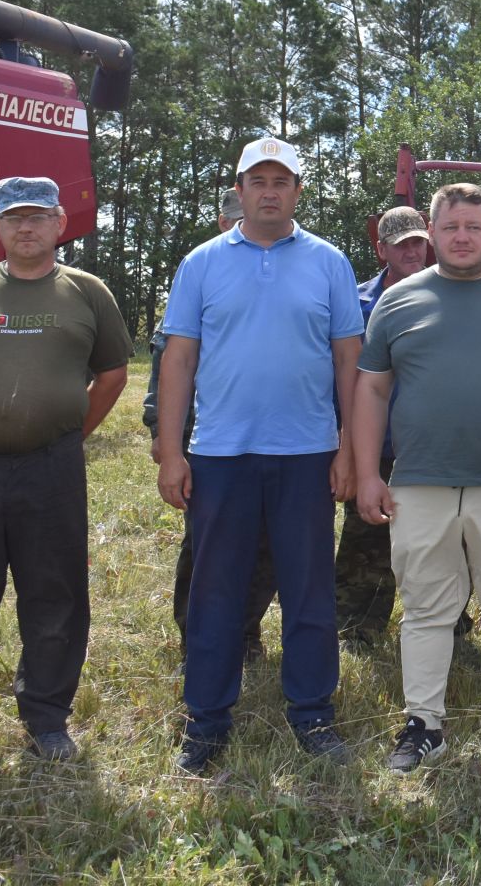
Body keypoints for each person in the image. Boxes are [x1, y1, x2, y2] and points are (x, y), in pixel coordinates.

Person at [155, 138, 363, 774]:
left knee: (309, 590)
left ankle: (313, 713)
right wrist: (170, 451)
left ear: (298, 191)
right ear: (239, 189)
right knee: (215, 590)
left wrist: (350, 450)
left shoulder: (329, 263)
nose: (270, 190)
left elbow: (349, 362)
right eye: (258, 180)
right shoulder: (201, 263)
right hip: (221, 454)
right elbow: (179, 359)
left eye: (282, 181)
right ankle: (207, 719)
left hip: (307, 452)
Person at [0, 177, 132, 771]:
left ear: (61, 223)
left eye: (38, 217)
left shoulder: (87, 292)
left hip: (52, 470)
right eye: (14, 218)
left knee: (55, 592)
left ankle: (46, 718)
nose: (26, 228)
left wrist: (66, 433)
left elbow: (113, 374)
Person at [351, 183, 481, 772]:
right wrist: (369, 473)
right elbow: (371, 389)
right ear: (433, 234)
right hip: (420, 482)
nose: (461, 237)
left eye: (473, 226)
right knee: (424, 608)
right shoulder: (397, 302)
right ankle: (424, 723)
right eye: (450, 227)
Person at [143, 188, 275, 662]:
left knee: (264, 545)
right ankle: (195, 631)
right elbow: (168, 361)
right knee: (206, 543)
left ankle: (246, 630)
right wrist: (165, 436)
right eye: (235, 217)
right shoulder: (200, 271)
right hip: (205, 440)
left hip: (267, 440)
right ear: (223, 222)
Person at [335, 204, 432, 646]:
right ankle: (357, 625)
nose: (413, 251)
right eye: (402, 244)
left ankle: (444, 623)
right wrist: (350, 451)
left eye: (418, 242)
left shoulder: (449, 294)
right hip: (375, 443)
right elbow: (342, 380)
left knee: (439, 543)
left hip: (432, 446)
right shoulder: (356, 304)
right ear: (382, 250)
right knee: (366, 539)